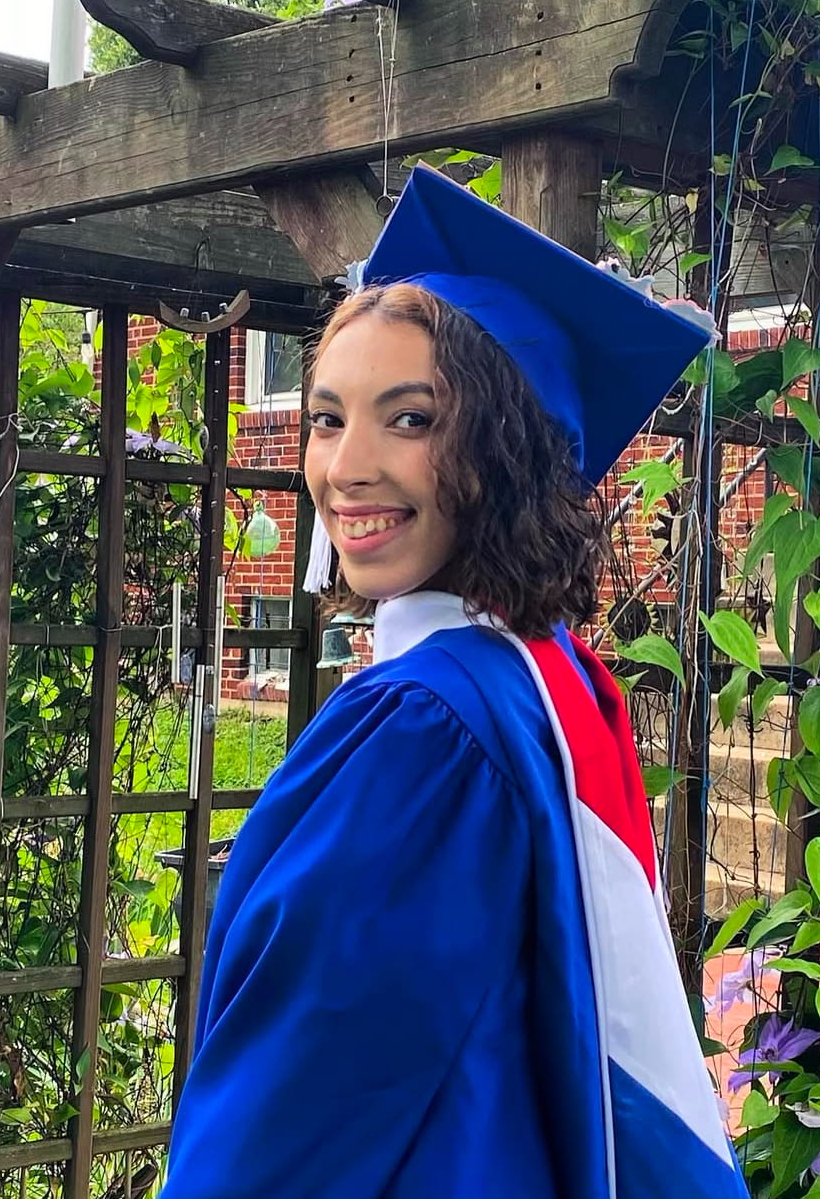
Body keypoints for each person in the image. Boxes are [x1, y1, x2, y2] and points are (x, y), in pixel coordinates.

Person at [163, 166, 747, 1199]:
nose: (346, 467)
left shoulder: (424, 731)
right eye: (331, 417)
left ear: (509, 450)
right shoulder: (552, 679)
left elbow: (298, 1104)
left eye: (413, 420)